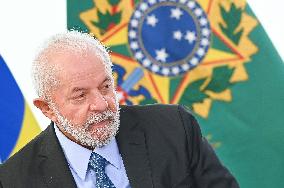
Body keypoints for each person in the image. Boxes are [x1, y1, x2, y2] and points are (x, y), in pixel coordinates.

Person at [0, 30, 239, 188]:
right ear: (47, 108)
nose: (102, 104)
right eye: (81, 95)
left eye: (105, 87)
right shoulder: (14, 180)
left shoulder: (174, 128)